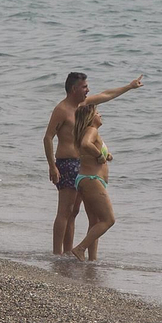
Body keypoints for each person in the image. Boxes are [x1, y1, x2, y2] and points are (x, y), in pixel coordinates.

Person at [43, 73, 143, 255]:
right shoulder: (62, 109)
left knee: (75, 212)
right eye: (84, 87)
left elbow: (107, 95)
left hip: (81, 165)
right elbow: (48, 137)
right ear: (74, 89)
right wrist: (52, 166)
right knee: (64, 211)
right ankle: (57, 254)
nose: (88, 90)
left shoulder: (85, 105)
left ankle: (68, 252)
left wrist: (129, 86)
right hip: (65, 163)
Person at [69, 105, 120, 261]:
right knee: (109, 220)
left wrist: (106, 155)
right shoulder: (91, 130)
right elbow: (86, 144)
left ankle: (92, 259)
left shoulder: (87, 132)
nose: (100, 114)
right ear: (90, 118)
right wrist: (99, 155)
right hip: (92, 180)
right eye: (97, 113)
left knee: (95, 222)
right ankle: (80, 248)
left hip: (86, 179)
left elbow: (87, 149)